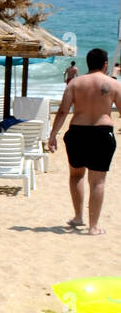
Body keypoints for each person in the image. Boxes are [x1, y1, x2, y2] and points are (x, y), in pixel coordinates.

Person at [48, 48, 120, 235]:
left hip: (78, 132)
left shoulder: (75, 83)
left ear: (87, 63)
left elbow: (63, 111)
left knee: (76, 175)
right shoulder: (113, 84)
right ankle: (93, 226)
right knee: (98, 182)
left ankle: (78, 216)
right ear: (105, 64)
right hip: (103, 133)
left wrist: (53, 134)